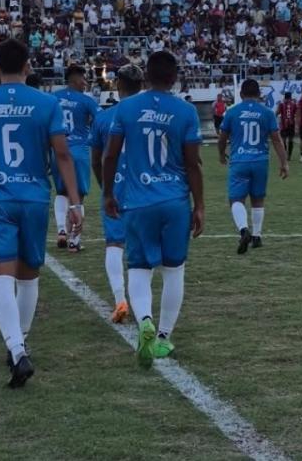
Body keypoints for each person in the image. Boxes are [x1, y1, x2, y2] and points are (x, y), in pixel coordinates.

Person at [0, 40, 82, 388]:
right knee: (29, 275)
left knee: (1, 276)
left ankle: (16, 349)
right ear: (28, 67)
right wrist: (74, 203)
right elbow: (62, 156)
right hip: (33, 195)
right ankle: (21, 341)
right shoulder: (47, 103)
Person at [102, 51, 204, 368]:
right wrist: (199, 205)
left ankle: (144, 320)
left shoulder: (127, 108)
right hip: (174, 201)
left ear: (146, 76)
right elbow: (193, 164)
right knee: (174, 270)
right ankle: (162, 337)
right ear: (174, 78)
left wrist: (108, 193)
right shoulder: (186, 111)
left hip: (137, 200)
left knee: (139, 268)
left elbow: (109, 156)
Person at [90, 65, 144, 323]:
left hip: (117, 186)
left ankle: (120, 299)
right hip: (146, 186)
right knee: (142, 247)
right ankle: (143, 306)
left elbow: (96, 160)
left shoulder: (103, 118)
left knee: (114, 245)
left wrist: (106, 188)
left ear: (118, 86)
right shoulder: (151, 113)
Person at [218, 79, 288, 254]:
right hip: (260, 161)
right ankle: (257, 236)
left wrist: (221, 153)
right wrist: (284, 162)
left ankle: (244, 230)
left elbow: (222, 137)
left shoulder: (232, 112)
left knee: (236, 199)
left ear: (241, 94)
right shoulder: (267, 112)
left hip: (239, 160)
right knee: (258, 198)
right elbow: (277, 140)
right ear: (259, 95)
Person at [51, 65, 99, 252]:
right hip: (79, 150)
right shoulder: (87, 101)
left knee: (61, 192)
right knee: (78, 195)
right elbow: (100, 121)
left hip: (58, 149)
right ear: (74, 79)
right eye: (83, 79)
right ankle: (74, 241)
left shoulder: (53, 99)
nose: (86, 83)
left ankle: (62, 230)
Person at [275, 92, 297, 161]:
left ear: (284, 97)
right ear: (290, 98)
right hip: (291, 124)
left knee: (283, 141)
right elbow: (297, 113)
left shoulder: (281, 104)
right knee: (290, 140)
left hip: (284, 125)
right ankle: (289, 156)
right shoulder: (294, 104)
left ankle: (285, 155)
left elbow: (277, 113)